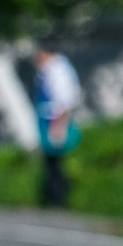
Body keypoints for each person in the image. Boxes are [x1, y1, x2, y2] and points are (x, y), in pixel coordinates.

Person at [33, 42, 81, 208]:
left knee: (56, 164)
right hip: (49, 121)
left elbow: (64, 101)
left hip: (56, 122)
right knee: (51, 164)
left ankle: (58, 201)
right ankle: (53, 199)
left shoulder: (58, 70)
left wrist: (59, 127)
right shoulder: (48, 71)